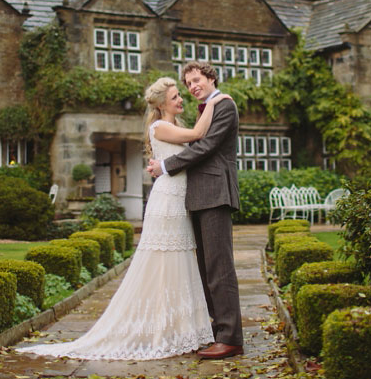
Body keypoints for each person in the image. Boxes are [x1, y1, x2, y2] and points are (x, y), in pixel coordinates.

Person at [19, 76, 230, 360]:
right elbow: (197, 135)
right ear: (162, 104)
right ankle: (159, 331)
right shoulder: (160, 126)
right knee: (163, 263)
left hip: (181, 199)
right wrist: (215, 101)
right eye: (176, 97)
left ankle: (180, 329)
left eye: (180, 95)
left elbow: (190, 151)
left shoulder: (174, 125)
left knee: (180, 262)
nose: (181, 100)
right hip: (167, 201)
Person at [147, 61, 244, 359]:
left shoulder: (224, 105)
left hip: (215, 193)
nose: (192, 86)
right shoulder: (206, 108)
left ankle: (230, 338)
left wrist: (165, 166)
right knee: (205, 268)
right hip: (199, 195)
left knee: (219, 267)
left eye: (196, 79)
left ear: (211, 77)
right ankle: (219, 331)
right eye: (188, 83)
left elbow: (207, 146)